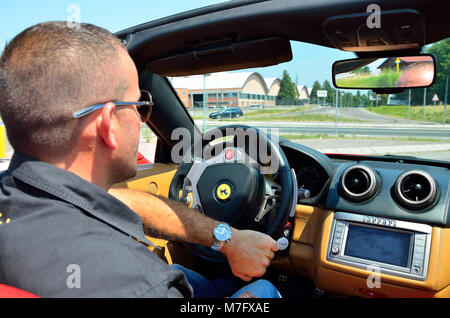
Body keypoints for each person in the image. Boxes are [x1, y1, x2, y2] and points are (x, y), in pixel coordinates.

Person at [0, 21, 280, 298]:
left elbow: (119, 200)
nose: (142, 121)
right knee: (262, 290)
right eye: (139, 106)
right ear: (108, 124)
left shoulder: (22, 195)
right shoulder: (144, 285)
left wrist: (228, 239)